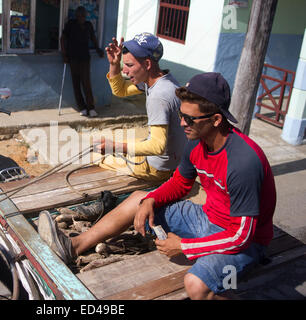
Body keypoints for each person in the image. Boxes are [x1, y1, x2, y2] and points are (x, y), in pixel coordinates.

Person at [38, 72, 276, 300]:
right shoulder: (197, 142)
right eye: (181, 115)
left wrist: (183, 246)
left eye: (189, 119)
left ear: (216, 119)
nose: (182, 123)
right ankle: (73, 246)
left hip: (244, 243)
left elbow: (241, 236)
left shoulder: (243, 162)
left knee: (196, 286)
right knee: (139, 198)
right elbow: (180, 184)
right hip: (206, 218)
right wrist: (152, 200)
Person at [95, 32, 186, 182]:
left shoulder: (158, 96)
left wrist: (115, 147)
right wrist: (114, 64)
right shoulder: (163, 80)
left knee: (96, 157)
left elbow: (157, 146)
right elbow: (121, 90)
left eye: (129, 65)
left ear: (147, 64)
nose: (124, 70)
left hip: (158, 168)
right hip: (174, 161)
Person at [60, 6, 104, 118]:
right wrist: (64, 54)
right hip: (73, 58)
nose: (81, 18)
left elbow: (93, 38)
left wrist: (98, 49)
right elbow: (62, 39)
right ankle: (82, 107)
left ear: (86, 16)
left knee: (86, 83)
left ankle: (91, 108)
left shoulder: (88, 25)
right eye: (79, 16)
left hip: (85, 58)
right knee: (76, 83)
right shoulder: (71, 24)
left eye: (83, 16)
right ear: (76, 16)